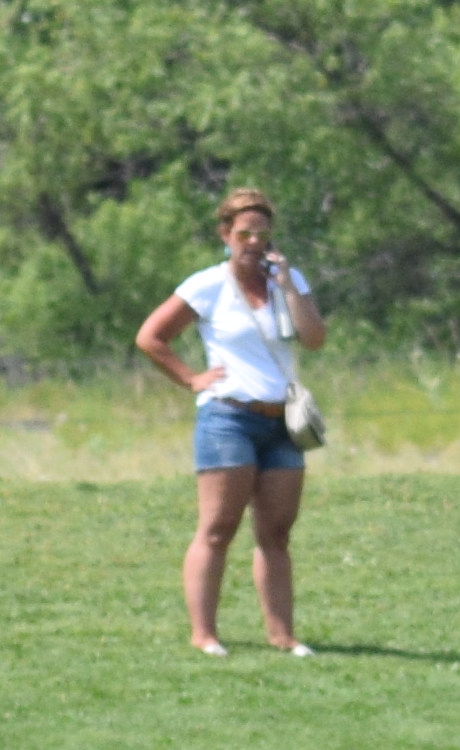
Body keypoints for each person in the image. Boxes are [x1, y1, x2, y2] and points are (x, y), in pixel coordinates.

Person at [137, 183, 322, 659]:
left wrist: (286, 285)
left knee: (277, 531)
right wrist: (191, 378)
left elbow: (314, 338)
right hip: (229, 419)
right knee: (218, 527)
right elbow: (151, 337)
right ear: (226, 234)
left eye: (262, 233)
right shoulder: (208, 284)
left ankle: (282, 634)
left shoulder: (288, 280)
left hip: (282, 421)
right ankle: (204, 633)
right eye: (244, 234)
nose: (254, 243)